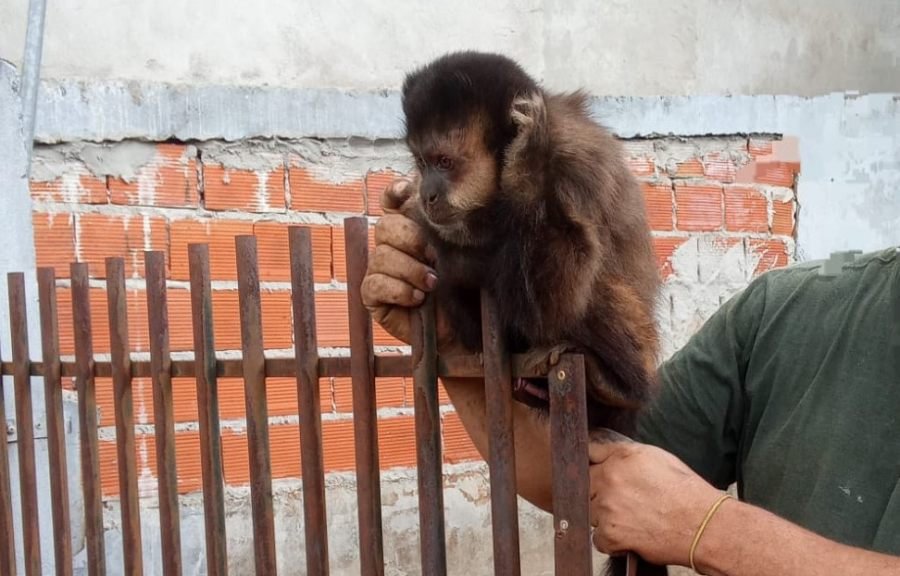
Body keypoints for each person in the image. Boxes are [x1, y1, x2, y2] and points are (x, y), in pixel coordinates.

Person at [360, 177, 900, 575]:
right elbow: (593, 479)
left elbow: (680, 516)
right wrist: (459, 346)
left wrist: (710, 529)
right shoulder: (786, 314)